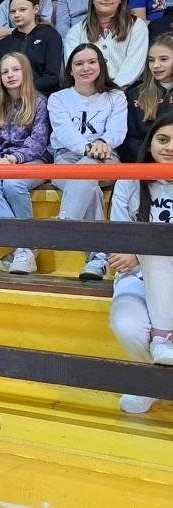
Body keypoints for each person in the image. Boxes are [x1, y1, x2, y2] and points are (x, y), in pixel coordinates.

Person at [108, 115, 173, 415]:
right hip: (135, 278)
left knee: (157, 245)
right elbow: (118, 242)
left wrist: (140, 251)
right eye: (163, 140)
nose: (169, 147)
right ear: (150, 145)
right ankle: (154, 383)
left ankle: (161, 339)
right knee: (125, 325)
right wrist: (136, 254)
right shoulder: (130, 180)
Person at [48, 43, 128, 280]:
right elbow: (64, 132)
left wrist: (102, 142)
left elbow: (117, 130)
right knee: (89, 186)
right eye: (79, 63)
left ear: (101, 65)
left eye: (92, 62)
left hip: (107, 158)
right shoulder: (58, 98)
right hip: (67, 158)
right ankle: (98, 260)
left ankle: (66, 224)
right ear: (70, 70)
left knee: (88, 169)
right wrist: (87, 148)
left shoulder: (116, 96)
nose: (86, 68)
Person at [0, 52, 52, 275]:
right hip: (1, 162)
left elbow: (38, 142)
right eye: (5, 71)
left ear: (25, 72)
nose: (10, 75)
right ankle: (25, 247)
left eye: (16, 70)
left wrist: (14, 159)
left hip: (34, 161)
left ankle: (24, 245)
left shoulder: (39, 102)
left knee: (13, 184)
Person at [65, 0, 149, 89]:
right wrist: (94, 92)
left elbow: (134, 64)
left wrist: (114, 91)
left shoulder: (137, 26)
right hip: (88, 90)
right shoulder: (75, 31)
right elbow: (75, 66)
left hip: (127, 90)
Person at [0, 0, 64, 96]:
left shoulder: (50, 35)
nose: (17, 15)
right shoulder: (4, 43)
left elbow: (52, 77)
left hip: (41, 95)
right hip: (10, 97)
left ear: (36, 9)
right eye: (13, 11)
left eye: (22, 10)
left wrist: (24, 89)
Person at [123, 33, 173, 162]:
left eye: (163, 59)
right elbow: (131, 139)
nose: (155, 65)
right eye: (151, 60)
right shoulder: (135, 95)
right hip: (145, 166)